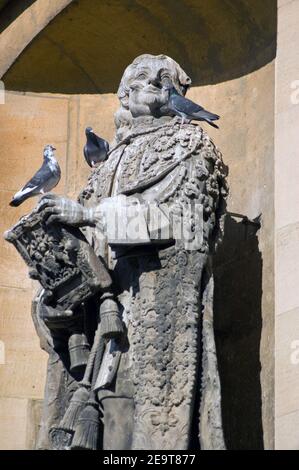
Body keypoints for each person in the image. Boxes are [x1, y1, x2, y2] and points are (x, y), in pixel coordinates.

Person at [35, 54, 228, 450]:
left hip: (150, 318)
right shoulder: (103, 167)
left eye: (165, 78)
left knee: (137, 427)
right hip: (100, 328)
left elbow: (187, 221)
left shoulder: (190, 144)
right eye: (143, 77)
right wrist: (54, 279)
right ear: (125, 92)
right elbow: (85, 245)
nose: (155, 82)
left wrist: (90, 215)